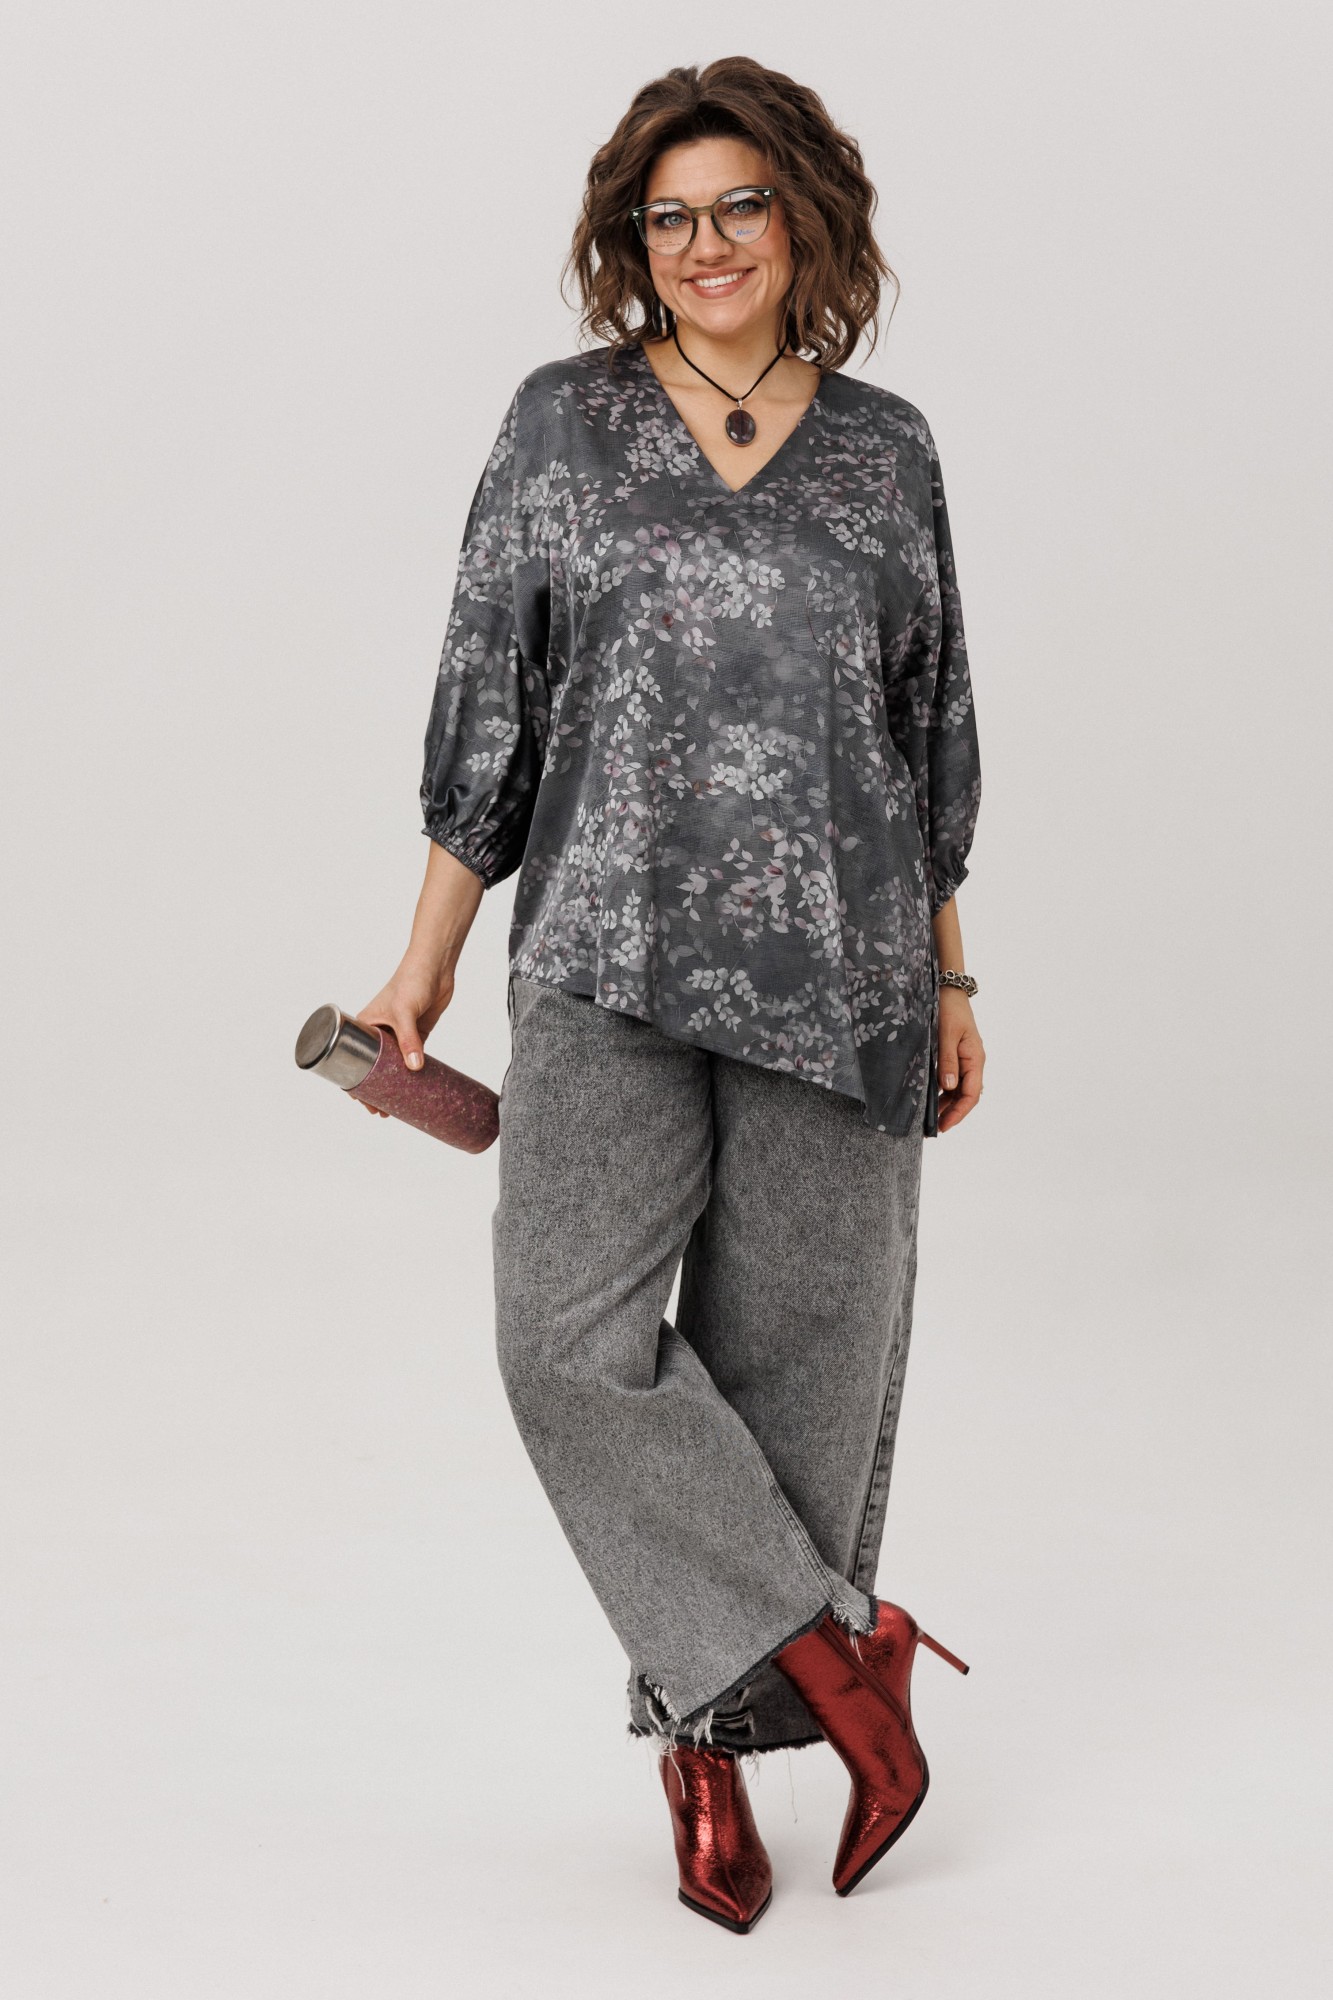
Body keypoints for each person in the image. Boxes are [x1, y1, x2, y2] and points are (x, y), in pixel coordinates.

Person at [359, 56, 985, 1933]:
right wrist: (424, 959)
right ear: (631, 244)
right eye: (667, 218)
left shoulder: (886, 451)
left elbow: (923, 726)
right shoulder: (561, 426)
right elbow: (493, 699)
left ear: (805, 220)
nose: (704, 245)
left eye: (738, 207)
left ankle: (706, 1752)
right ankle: (850, 1665)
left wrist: (953, 972)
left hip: (844, 974)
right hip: (601, 955)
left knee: (799, 1371)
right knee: (567, 1342)